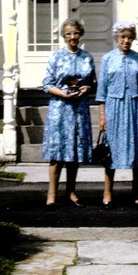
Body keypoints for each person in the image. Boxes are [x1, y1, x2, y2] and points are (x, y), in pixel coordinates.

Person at [96, 20, 138, 209]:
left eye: (129, 37)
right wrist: (102, 115)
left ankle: (136, 194)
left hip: (135, 107)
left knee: (137, 151)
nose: (126, 41)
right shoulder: (108, 58)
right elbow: (102, 90)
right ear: (116, 38)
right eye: (122, 37)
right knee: (111, 151)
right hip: (114, 107)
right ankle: (107, 193)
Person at [42, 17, 96, 208]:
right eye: (68, 34)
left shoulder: (87, 57)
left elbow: (92, 82)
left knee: (75, 152)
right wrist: (63, 94)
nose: (72, 37)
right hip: (60, 108)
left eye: (75, 33)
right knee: (57, 153)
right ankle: (52, 192)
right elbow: (46, 84)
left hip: (79, 109)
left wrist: (86, 89)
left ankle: (71, 191)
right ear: (63, 36)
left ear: (80, 34)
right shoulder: (56, 57)